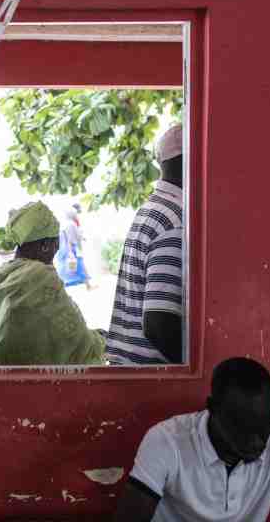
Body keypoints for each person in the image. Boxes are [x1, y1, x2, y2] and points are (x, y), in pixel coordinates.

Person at [114, 357, 270, 521]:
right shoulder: (167, 440)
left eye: (264, 428)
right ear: (212, 408)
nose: (256, 442)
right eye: (242, 429)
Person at [0, 202, 105, 366]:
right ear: (45, 246)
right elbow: (76, 340)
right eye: (55, 245)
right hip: (35, 385)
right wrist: (101, 340)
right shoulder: (41, 277)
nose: (55, 253)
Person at [106, 125, 184, 364]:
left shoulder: (154, 209)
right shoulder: (176, 220)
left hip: (129, 371)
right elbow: (158, 325)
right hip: (150, 376)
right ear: (189, 161)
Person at [54, 205, 94, 290]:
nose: (77, 215)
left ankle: (88, 285)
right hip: (71, 249)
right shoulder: (71, 224)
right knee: (79, 266)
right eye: (75, 213)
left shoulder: (63, 223)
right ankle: (88, 286)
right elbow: (71, 239)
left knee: (65, 268)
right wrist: (71, 251)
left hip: (63, 249)